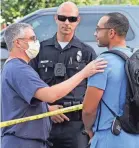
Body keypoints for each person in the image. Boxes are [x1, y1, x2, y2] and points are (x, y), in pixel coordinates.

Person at [1, 23, 107, 148]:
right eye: (32, 38)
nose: (36, 42)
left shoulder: (13, 67)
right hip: (22, 141)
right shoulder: (19, 69)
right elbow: (50, 95)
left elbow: (23, 104)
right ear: (18, 43)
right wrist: (83, 73)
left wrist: (46, 109)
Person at [29, 1, 97, 148]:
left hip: (76, 125)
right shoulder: (39, 50)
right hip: (45, 122)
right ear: (55, 18)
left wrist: (91, 126)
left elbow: (95, 91)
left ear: (78, 21)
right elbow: (30, 87)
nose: (67, 22)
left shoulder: (87, 53)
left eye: (72, 19)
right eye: (62, 18)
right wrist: (46, 109)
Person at [82, 12, 139, 148]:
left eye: (98, 29)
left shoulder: (102, 63)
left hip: (110, 136)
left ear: (111, 32)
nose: (95, 34)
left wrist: (88, 129)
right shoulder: (135, 58)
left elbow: (89, 109)